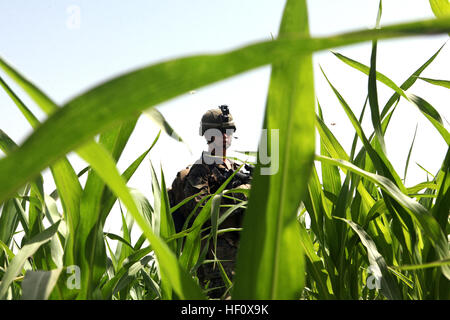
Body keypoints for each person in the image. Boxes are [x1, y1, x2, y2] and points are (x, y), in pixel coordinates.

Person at [168, 105, 252, 298]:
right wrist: (239, 194)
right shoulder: (199, 171)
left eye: (228, 131)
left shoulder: (239, 169)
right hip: (216, 260)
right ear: (208, 135)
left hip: (246, 254)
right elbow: (202, 211)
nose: (225, 136)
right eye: (220, 132)